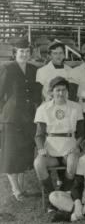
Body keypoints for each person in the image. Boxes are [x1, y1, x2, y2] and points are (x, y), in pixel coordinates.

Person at [0, 37, 42, 201]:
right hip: (11, 118)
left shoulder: (33, 69)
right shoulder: (7, 68)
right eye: (21, 51)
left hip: (29, 117)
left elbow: (36, 93)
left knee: (25, 153)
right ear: (15, 53)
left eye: (26, 51)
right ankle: (15, 189)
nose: (24, 54)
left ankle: (22, 188)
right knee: (11, 154)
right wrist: (3, 113)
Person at [34, 77, 84, 198]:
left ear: (67, 91)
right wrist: (41, 148)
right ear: (51, 92)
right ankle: (51, 195)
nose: (61, 93)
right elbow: (39, 135)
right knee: (38, 164)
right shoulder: (43, 108)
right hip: (51, 149)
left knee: (72, 163)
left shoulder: (75, 107)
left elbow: (81, 132)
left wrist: (77, 146)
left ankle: (63, 192)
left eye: (64, 90)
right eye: (58, 90)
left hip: (69, 146)